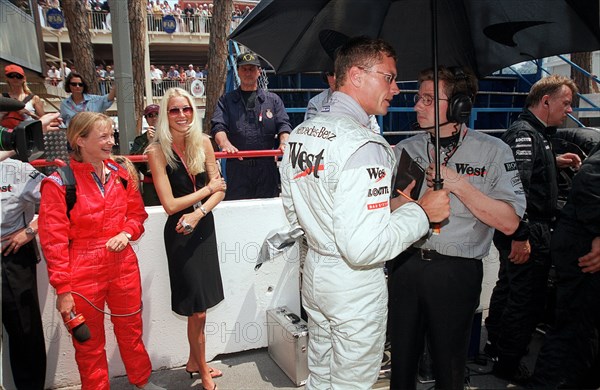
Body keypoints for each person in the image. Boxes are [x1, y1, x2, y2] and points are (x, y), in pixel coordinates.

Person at [279, 36, 451, 389]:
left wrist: (391, 208)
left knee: (320, 376)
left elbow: (295, 213)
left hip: (315, 271)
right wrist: (422, 213)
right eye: (388, 77)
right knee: (351, 384)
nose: (397, 89)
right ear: (356, 75)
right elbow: (363, 247)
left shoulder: (300, 133)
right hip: (353, 283)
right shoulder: (363, 144)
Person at [388, 66, 526, 390]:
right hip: (405, 266)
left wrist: (460, 186)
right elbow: (389, 208)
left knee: (449, 370)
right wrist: (418, 203)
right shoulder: (406, 149)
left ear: (459, 106)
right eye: (417, 97)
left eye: (427, 99)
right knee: (401, 366)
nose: (416, 106)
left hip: (456, 273)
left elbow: (509, 222)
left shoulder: (494, 152)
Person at [38, 112, 164, 390]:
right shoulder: (59, 183)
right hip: (81, 269)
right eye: (103, 136)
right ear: (80, 140)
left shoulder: (120, 174)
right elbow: (54, 242)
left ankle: (141, 381)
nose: (111, 141)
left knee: (131, 331)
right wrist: (63, 290)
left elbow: (137, 216)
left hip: (123, 265)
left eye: (111, 135)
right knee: (89, 342)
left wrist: (126, 233)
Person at [484, 74, 582, 383]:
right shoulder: (525, 134)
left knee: (510, 288)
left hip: (525, 228)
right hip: (527, 229)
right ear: (546, 101)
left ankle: (496, 347)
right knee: (526, 300)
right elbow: (516, 189)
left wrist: (555, 162)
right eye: (566, 104)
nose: (569, 111)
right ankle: (509, 364)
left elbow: (528, 167)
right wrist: (520, 236)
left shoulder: (536, 134)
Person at [147, 88, 227, 390]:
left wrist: (198, 213)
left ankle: (195, 362)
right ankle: (203, 369)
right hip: (179, 232)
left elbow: (222, 189)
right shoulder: (156, 152)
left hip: (202, 227)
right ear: (166, 115)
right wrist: (206, 192)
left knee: (202, 305)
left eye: (187, 109)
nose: (182, 116)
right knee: (197, 308)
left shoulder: (204, 142)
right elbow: (169, 204)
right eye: (174, 110)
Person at [529, 145, 600, 389]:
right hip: (585, 251)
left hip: (582, 242)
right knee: (573, 330)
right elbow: (590, 178)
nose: (570, 111)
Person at [211, 52, 292, 200]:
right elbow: (218, 126)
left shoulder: (273, 101)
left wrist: (284, 142)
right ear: (238, 71)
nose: (248, 73)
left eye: (252, 69)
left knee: (268, 212)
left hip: (266, 168)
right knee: (239, 212)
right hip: (238, 168)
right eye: (244, 69)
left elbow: (284, 125)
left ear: (259, 72)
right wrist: (225, 143)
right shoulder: (226, 101)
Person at [0, 156, 46, 389]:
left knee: (24, 332)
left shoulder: (16, 170)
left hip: (10, 257)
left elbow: (57, 198)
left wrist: (29, 231)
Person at [305, 70, 380, 132]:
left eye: (338, 73)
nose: (335, 78)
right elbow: (309, 133)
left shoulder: (363, 100)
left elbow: (375, 132)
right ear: (325, 76)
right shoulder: (316, 102)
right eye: (330, 74)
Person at [130, 104, 160, 206]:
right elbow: (133, 160)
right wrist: (148, 142)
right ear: (146, 119)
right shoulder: (140, 140)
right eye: (150, 115)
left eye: (157, 114)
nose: (154, 117)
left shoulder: (171, 135)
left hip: (172, 181)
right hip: (150, 183)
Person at [1, 64, 45, 128]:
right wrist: (3, 114)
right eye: (11, 76)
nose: (15, 78)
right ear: (7, 78)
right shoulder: (2, 97)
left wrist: (29, 113)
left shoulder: (34, 98)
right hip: (8, 133)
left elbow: (44, 120)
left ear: (24, 78)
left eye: (19, 76)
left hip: (27, 133)